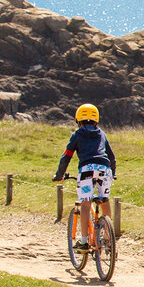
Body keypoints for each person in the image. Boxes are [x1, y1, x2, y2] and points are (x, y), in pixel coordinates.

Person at [52, 104, 116, 251]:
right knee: (104, 200)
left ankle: (84, 241)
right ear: (96, 119)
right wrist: (113, 172)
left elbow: (66, 156)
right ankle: (108, 236)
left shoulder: (77, 135)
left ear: (78, 119)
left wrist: (59, 174)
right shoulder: (102, 134)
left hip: (87, 170)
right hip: (104, 169)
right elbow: (112, 157)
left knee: (86, 203)